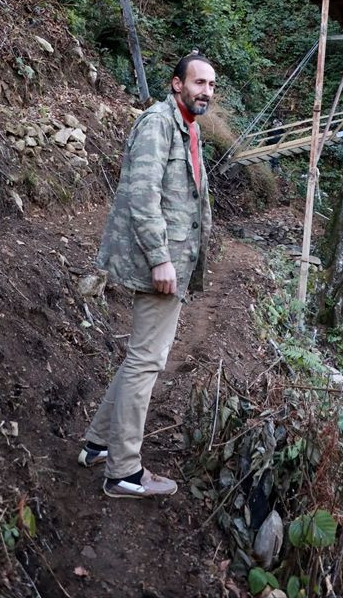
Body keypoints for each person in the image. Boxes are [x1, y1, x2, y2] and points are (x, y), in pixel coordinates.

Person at [78, 52, 216, 498]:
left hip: (175, 261)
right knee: (147, 361)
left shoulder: (188, 127)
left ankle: (98, 445)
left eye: (211, 85)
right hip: (162, 263)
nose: (206, 91)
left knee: (140, 357)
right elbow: (142, 194)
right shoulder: (158, 124)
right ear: (177, 84)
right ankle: (123, 472)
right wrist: (160, 258)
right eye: (198, 82)